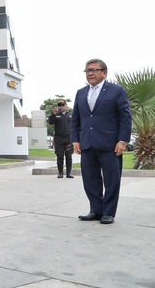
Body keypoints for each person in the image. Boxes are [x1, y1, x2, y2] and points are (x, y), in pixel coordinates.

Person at [71, 58, 131, 225]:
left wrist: (123, 140)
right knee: (90, 179)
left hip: (110, 144)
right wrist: (75, 139)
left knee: (112, 180)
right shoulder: (81, 92)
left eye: (94, 70)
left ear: (104, 73)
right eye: (87, 70)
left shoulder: (116, 90)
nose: (90, 73)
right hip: (87, 144)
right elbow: (76, 118)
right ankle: (96, 210)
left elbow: (125, 117)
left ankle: (108, 212)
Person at [48, 99, 74, 178]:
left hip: (68, 138)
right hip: (59, 138)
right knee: (60, 156)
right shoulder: (56, 115)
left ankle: (69, 173)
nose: (61, 107)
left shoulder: (70, 115)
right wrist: (53, 114)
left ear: (66, 105)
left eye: (62, 105)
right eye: (59, 105)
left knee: (69, 156)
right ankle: (60, 173)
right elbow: (51, 122)